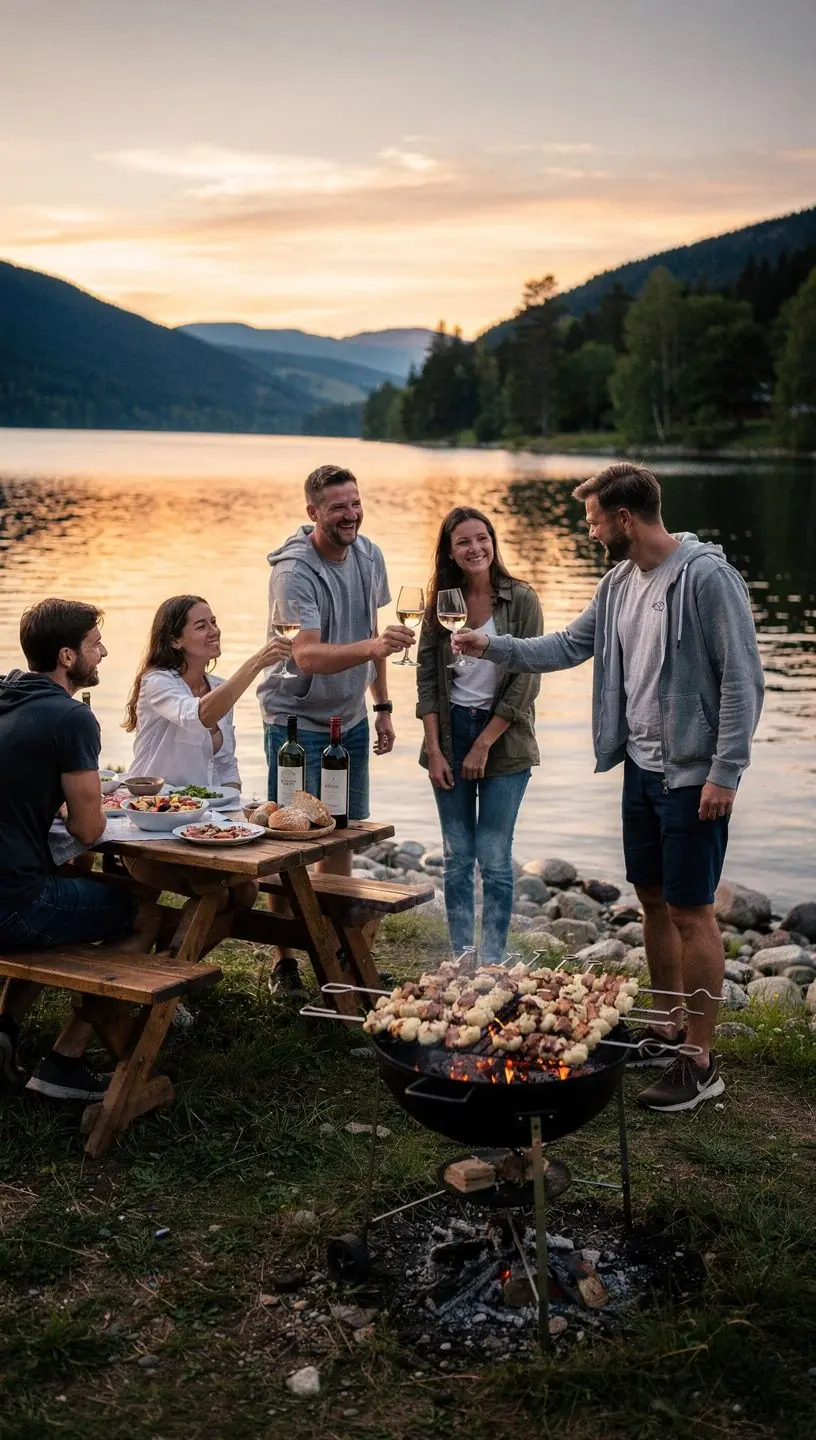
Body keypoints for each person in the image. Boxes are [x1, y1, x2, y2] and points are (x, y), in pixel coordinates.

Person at [454, 462, 764, 1113]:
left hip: (693, 777)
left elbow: (742, 679)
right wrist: (491, 647)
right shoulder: (621, 582)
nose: (591, 530)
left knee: (692, 909)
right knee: (652, 899)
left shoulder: (706, 578)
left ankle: (700, 1062)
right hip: (642, 771)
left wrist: (724, 772)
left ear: (624, 518)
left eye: (594, 519)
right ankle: (666, 1026)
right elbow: (568, 646)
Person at [257, 463, 414, 990]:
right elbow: (306, 656)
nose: (351, 515)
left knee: (340, 834)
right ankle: (285, 962)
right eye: (338, 507)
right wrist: (372, 648)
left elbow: (374, 635)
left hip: (348, 720)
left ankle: (335, 957)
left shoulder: (369, 554)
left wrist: (384, 705)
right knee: (288, 839)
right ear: (313, 513)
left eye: (354, 502)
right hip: (295, 723)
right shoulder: (293, 571)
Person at [0, 599, 159, 1101]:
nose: (104, 652)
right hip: (13, 905)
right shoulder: (70, 718)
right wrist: (80, 806)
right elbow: (90, 831)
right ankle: (65, 1061)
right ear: (67, 657)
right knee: (144, 912)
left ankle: (3, 1031)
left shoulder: (6, 699)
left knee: (69, 894)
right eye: (95, 644)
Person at [122, 595, 291, 934]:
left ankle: (173, 963)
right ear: (174, 640)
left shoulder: (218, 687)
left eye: (214, 621)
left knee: (245, 890)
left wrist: (230, 816)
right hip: (153, 831)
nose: (214, 630)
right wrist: (257, 662)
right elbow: (198, 715)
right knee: (214, 890)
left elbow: (228, 768)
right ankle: (171, 970)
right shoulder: (157, 682)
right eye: (202, 625)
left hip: (203, 828)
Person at [417, 507, 542, 963]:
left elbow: (527, 680)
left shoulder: (522, 599)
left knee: (492, 856)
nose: (475, 548)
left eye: (482, 538)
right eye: (464, 542)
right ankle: (461, 957)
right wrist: (434, 750)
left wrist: (484, 743)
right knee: (456, 858)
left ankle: (492, 960)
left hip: (503, 741)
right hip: (450, 736)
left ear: (493, 542)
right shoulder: (441, 604)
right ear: (449, 552)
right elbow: (428, 683)